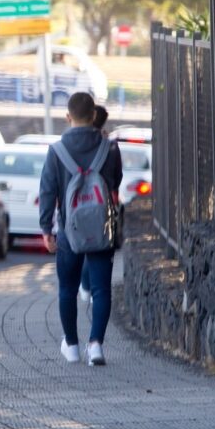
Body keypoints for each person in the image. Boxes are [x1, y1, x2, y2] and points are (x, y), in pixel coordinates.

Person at [38, 93, 122, 366]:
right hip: (101, 228)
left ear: (67, 117)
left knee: (68, 288)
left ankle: (71, 345)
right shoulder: (109, 148)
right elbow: (115, 181)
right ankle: (96, 345)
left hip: (68, 230)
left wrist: (46, 229)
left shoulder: (56, 151)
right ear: (94, 116)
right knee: (101, 289)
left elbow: (48, 191)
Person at [78, 104, 109, 303]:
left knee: (85, 250)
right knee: (96, 250)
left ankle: (85, 285)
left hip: (76, 206)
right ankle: (91, 288)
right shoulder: (107, 146)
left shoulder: (71, 143)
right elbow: (116, 177)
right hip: (100, 206)